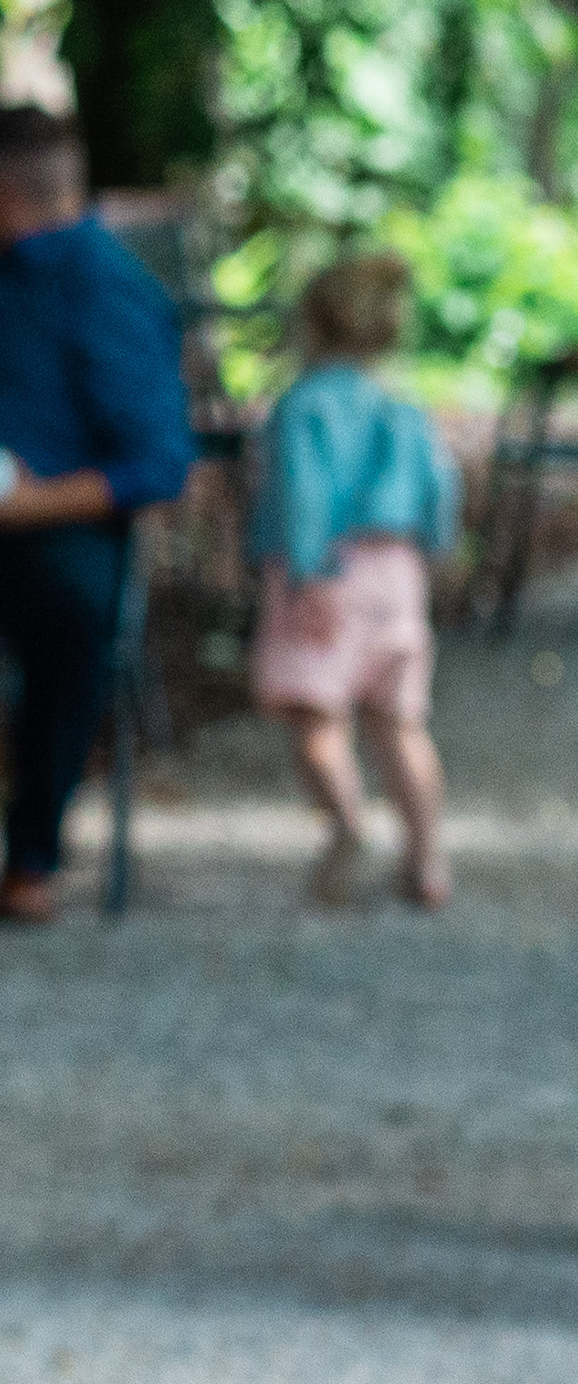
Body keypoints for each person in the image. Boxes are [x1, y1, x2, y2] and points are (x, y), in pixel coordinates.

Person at [0, 104, 196, 923]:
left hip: (51, 534)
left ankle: (31, 859)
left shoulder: (110, 290)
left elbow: (158, 465)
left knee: (75, 618)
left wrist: (31, 503)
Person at [250, 251, 457, 907]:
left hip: (328, 569)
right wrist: (437, 554)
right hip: (397, 570)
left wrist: (308, 571)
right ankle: (427, 858)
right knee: (401, 722)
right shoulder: (404, 407)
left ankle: (347, 826)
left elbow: (302, 492)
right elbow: (440, 490)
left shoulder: (303, 405)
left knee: (316, 716)